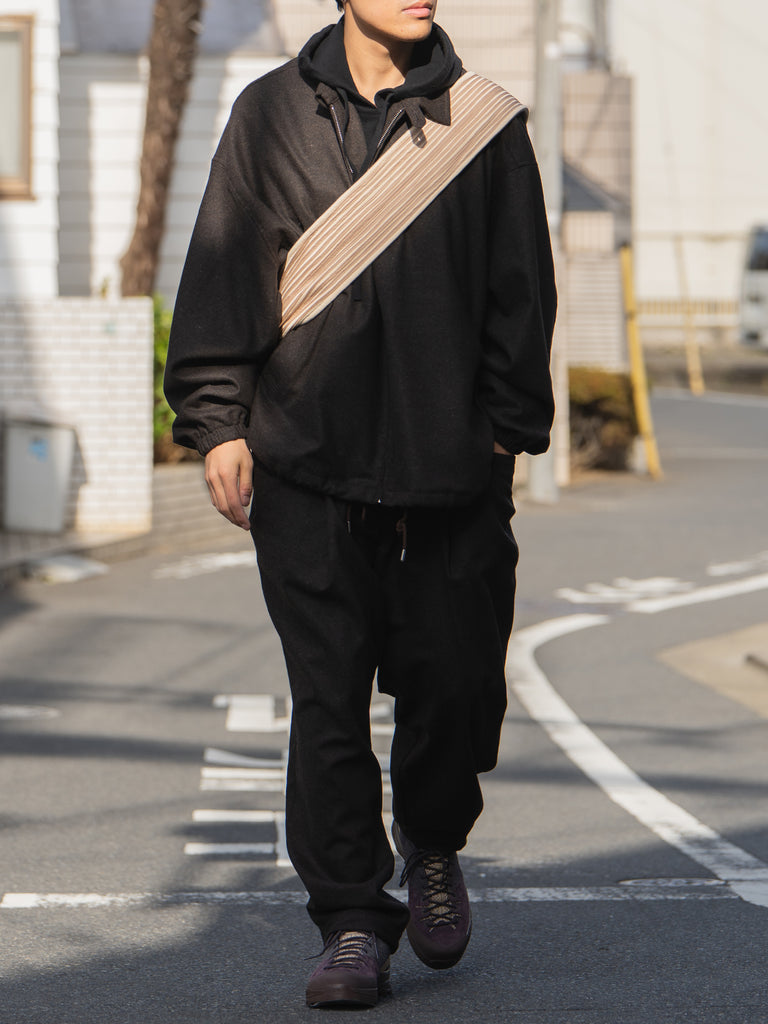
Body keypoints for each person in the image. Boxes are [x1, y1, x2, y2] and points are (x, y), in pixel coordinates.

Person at [165, 0, 556, 1009]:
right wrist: (219, 421)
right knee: (328, 700)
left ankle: (433, 838)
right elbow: (226, 264)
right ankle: (349, 918)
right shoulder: (269, 114)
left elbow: (522, 288)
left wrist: (503, 432)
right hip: (306, 463)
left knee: (456, 687)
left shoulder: (484, 121)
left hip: (451, 473)